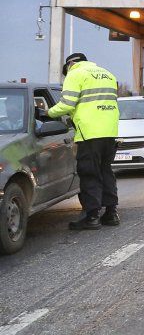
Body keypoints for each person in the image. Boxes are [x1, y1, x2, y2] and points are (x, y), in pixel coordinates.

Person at [47, 52, 121, 230]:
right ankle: (111, 213)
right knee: (105, 170)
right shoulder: (107, 74)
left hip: (89, 132)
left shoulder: (76, 73)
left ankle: (92, 216)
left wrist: (47, 113)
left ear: (70, 64)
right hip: (110, 131)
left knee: (89, 173)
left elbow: (67, 104)